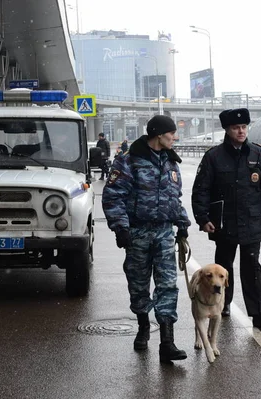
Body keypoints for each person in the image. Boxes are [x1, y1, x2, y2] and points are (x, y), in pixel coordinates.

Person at [102, 114, 191, 363]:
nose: (175, 137)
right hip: (137, 233)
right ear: (158, 134)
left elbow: (175, 197)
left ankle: (167, 342)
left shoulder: (170, 162)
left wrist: (182, 224)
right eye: (172, 133)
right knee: (139, 284)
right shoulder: (129, 161)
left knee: (168, 286)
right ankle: (143, 327)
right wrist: (121, 228)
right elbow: (113, 196)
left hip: (164, 233)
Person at [191, 108, 261, 328]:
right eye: (235, 128)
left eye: (243, 127)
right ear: (227, 130)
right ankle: (224, 305)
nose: (241, 131)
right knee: (223, 269)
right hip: (223, 223)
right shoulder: (214, 156)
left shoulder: (258, 154)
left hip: (251, 222)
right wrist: (203, 218)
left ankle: (258, 313)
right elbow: (201, 189)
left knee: (252, 267)